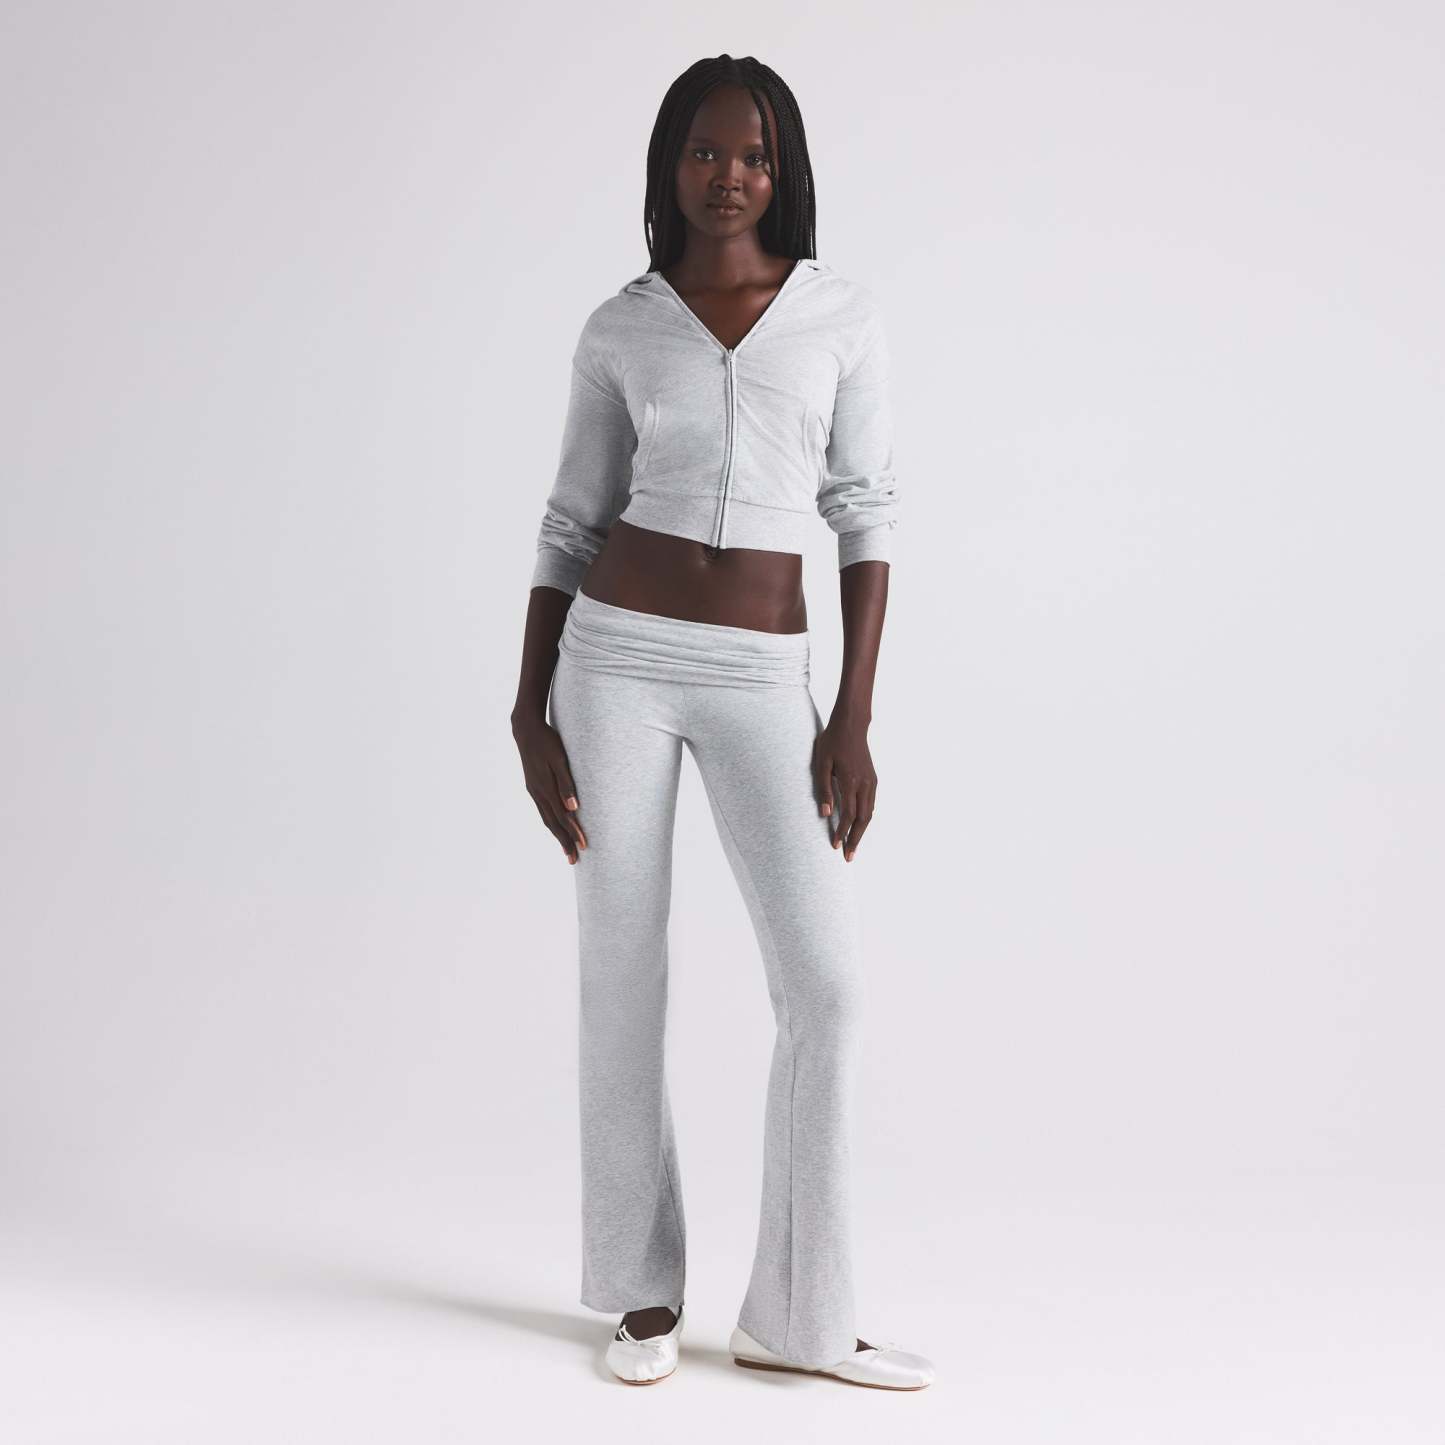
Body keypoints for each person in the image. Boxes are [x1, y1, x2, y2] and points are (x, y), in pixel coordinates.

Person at [510, 54, 935, 1391]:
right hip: (614, 666)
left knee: (826, 987)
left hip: (764, 675)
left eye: (752, 154)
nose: (728, 175)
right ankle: (640, 1293)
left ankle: (799, 1316)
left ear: (783, 168)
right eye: (703, 151)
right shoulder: (622, 327)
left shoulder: (839, 319)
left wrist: (851, 714)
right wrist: (527, 704)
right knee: (620, 968)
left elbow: (864, 511)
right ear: (670, 166)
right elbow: (571, 519)